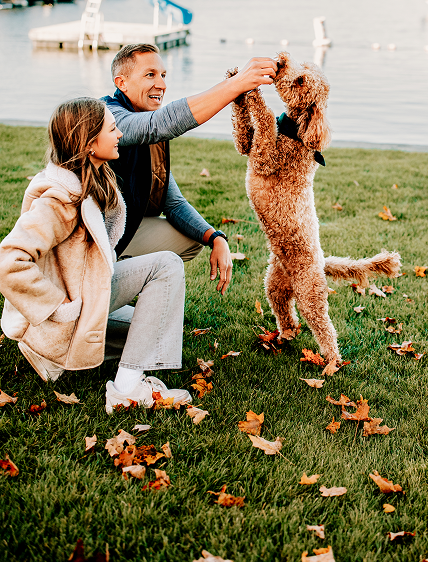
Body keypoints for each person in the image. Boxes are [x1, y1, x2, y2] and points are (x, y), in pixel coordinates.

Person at [0, 98, 192, 413]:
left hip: (85, 295)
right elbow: (8, 261)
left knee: (154, 328)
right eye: (112, 129)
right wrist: (57, 308)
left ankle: (63, 357)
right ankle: (125, 389)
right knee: (166, 265)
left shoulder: (95, 180)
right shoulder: (59, 200)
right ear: (91, 144)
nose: (119, 135)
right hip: (69, 308)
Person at [103, 44, 277, 295]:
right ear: (122, 83)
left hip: (119, 232)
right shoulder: (108, 118)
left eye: (163, 75)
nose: (161, 85)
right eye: (150, 74)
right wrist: (237, 84)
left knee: (191, 239)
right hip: (89, 243)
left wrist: (216, 238)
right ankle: (102, 289)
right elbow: (158, 125)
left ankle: (119, 281)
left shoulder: (150, 127)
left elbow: (172, 204)